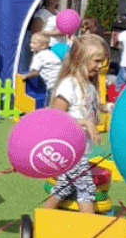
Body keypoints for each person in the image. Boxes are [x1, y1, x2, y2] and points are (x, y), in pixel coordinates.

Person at [44, 34, 111, 214]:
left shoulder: (89, 85)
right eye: (97, 61)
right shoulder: (69, 85)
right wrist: (85, 123)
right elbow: (56, 117)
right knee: (86, 189)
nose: (101, 65)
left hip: (80, 149)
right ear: (81, 60)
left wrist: (109, 107)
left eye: (103, 61)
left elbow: (93, 106)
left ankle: (42, 217)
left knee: (64, 187)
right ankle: (89, 232)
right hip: (69, 149)